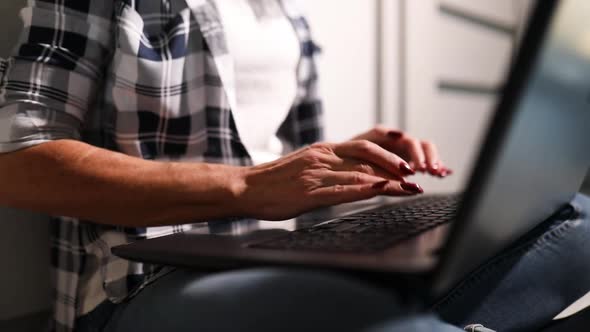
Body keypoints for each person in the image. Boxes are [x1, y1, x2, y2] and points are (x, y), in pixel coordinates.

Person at [0, 1, 588, 331]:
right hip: (135, 285)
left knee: (582, 221)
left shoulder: (284, 16)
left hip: (274, 250)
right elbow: (19, 161)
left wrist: (350, 161)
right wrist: (248, 186)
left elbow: (277, 163)